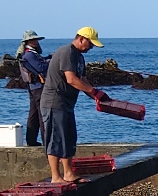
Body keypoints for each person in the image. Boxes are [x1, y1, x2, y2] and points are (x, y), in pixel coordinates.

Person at [39, 26, 108, 183]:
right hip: (54, 102)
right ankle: (56, 176)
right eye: (90, 44)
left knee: (68, 138)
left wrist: (96, 96)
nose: (91, 47)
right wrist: (94, 91)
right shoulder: (67, 52)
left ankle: (68, 174)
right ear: (81, 38)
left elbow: (82, 80)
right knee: (55, 138)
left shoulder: (79, 57)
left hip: (67, 104)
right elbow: (71, 79)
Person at [16, 31, 48, 147]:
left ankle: (31, 140)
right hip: (38, 87)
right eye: (33, 40)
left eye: (36, 40)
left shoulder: (28, 53)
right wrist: (50, 62)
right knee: (41, 113)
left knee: (34, 113)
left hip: (33, 86)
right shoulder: (30, 54)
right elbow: (41, 68)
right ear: (28, 42)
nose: (36, 42)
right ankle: (46, 140)